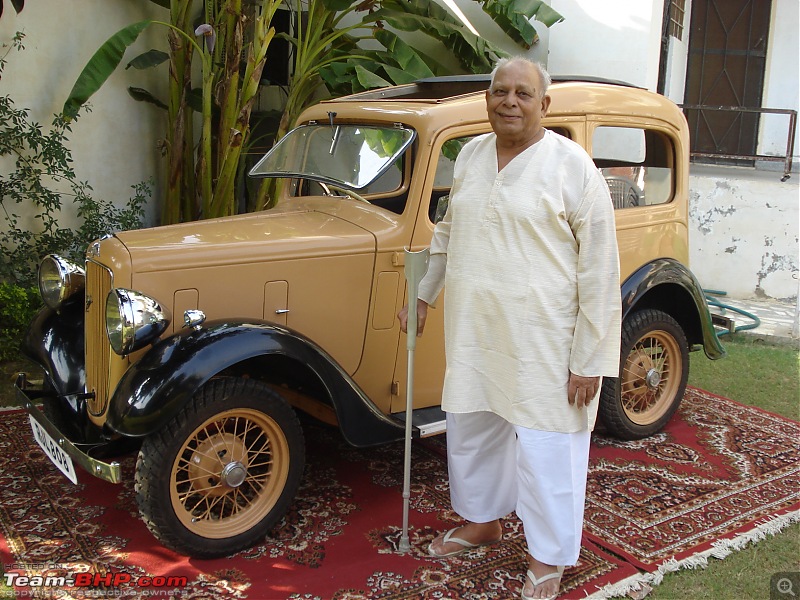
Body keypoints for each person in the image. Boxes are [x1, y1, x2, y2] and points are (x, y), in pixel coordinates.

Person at [397, 57, 622, 600]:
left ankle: (549, 557)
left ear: (545, 105)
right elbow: (449, 231)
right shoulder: (471, 156)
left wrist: (590, 358)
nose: (509, 102)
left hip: (546, 341)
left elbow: (600, 269)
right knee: (472, 431)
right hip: (477, 330)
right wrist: (423, 294)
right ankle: (483, 521)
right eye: (500, 92)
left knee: (549, 450)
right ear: (487, 99)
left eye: (523, 93)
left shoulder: (573, 168)